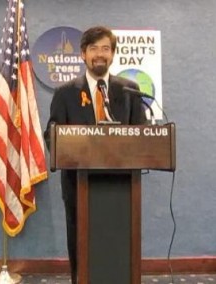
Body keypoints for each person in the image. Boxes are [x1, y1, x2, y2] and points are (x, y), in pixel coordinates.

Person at [43, 26, 146, 284]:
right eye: (93, 49)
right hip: (78, 183)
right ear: (83, 55)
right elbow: (52, 134)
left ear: (112, 55)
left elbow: (142, 135)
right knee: (80, 238)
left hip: (121, 186)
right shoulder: (65, 93)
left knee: (118, 238)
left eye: (105, 49)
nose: (99, 54)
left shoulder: (129, 91)